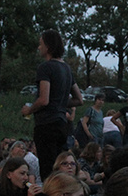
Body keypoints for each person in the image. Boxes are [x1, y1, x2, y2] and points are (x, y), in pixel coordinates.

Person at [21, 29, 83, 178]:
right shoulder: (67, 68)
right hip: (62, 125)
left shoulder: (45, 67)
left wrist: (29, 110)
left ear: (48, 46)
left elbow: (44, 99)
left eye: (40, 44)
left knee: (48, 170)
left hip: (47, 124)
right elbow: (79, 99)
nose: (39, 47)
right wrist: (61, 102)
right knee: (60, 168)